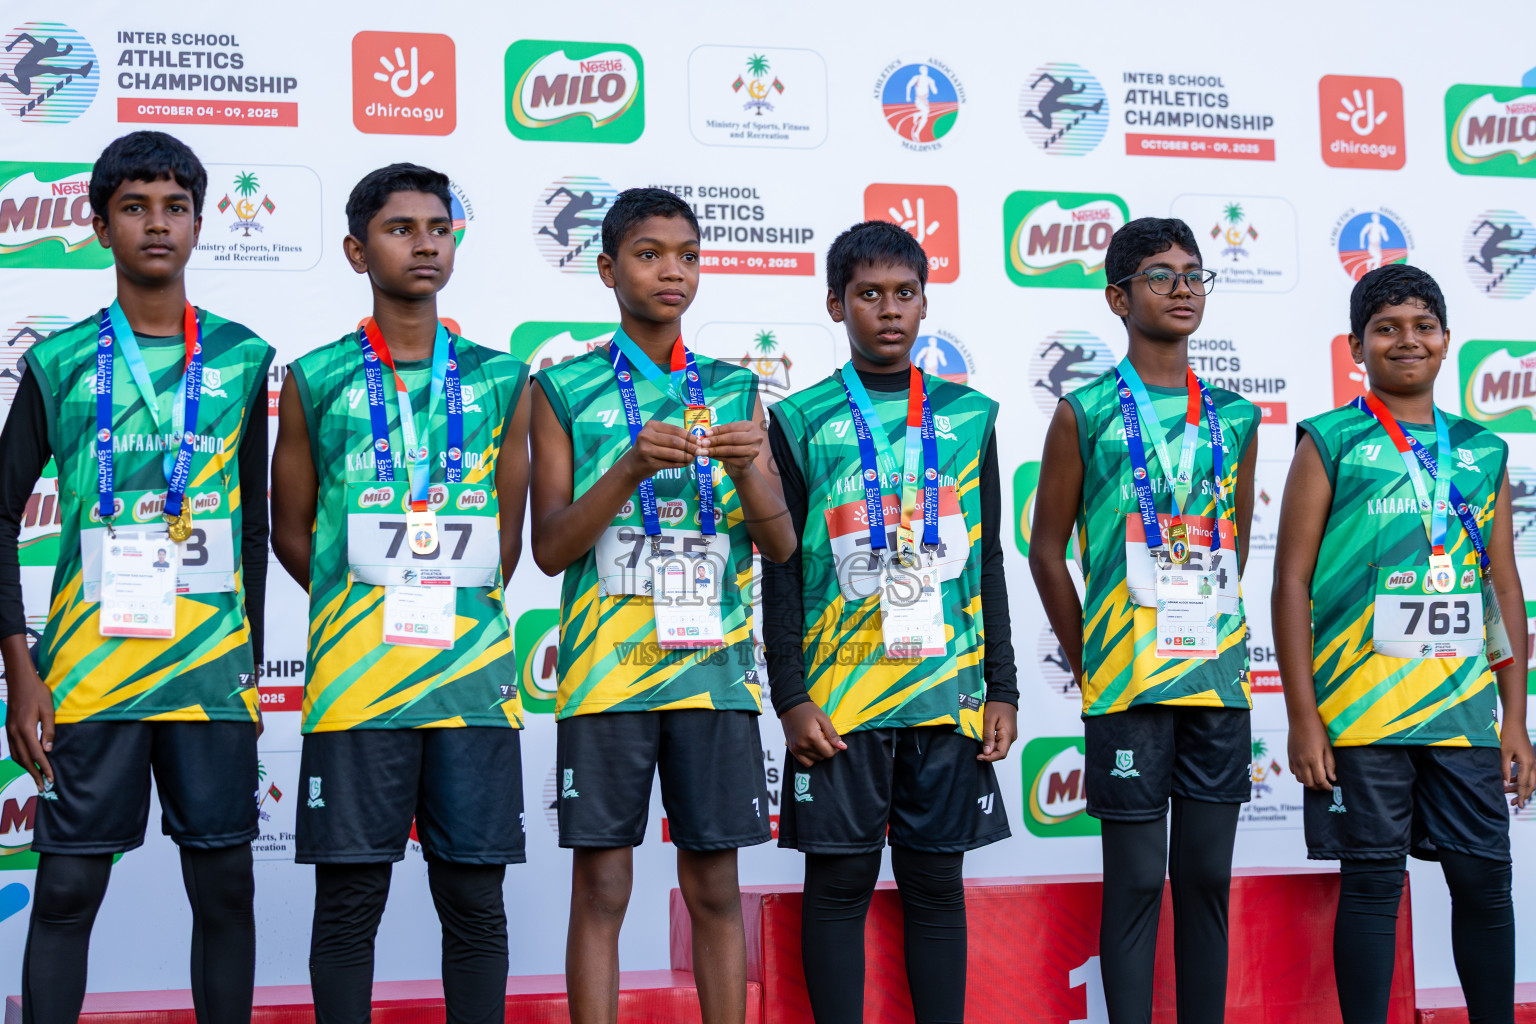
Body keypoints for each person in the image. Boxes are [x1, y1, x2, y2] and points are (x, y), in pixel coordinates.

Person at [0, 130, 272, 1024]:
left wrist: (252, 661)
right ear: (98, 226)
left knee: (226, 891)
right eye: (134, 207)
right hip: (89, 672)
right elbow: (1, 516)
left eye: (176, 207)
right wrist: (20, 668)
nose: (157, 225)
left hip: (207, 676)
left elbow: (258, 525)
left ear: (199, 223)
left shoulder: (242, 358)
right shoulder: (58, 361)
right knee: (69, 893)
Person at [270, 163, 531, 1024]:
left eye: (438, 227)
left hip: (471, 687)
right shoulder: (314, 378)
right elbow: (292, 531)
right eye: (399, 228)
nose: (424, 242)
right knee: (348, 909)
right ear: (356, 249)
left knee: (475, 905)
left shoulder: (503, 380)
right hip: (358, 687)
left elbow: (506, 538)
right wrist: (363, 600)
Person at [529, 187, 795, 1024]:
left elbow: (783, 547)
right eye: (649, 254)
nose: (670, 270)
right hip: (608, 681)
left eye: (686, 254)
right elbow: (549, 549)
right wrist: (629, 471)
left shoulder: (733, 387)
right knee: (602, 885)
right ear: (608, 269)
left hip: (712, 678)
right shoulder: (562, 388)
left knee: (716, 885)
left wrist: (752, 469)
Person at [764, 220, 1018, 1024]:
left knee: (936, 886)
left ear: (925, 301)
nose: (889, 311)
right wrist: (791, 696)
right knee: (838, 885)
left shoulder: (970, 415)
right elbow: (779, 564)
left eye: (904, 294)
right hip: (841, 701)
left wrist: (1004, 687)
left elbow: (988, 562)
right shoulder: (799, 418)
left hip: (946, 695)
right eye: (869, 295)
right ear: (836, 304)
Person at [1273, 263, 1534, 1024]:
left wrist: (1514, 719)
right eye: (1386, 328)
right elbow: (1291, 583)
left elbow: (1505, 590)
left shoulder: (1483, 451)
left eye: (1422, 326)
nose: (1406, 340)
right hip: (1360, 716)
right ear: (1357, 346)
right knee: (1373, 884)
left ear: (1448, 341)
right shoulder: (1332, 440)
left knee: (1485, 881)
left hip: (1461, 715)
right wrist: (1303, 717)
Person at [1029, 217, 1259, 1024]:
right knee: (1134, 884)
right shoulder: (1084, 412)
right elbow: (1045, 550)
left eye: (1194, 274)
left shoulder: (1236, 417)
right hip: (1126, 683)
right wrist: (1085, 649)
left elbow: (1230, 546)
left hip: (1217, 682)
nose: (1184, 288)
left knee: (1205, 883)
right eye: (1161, 276)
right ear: (1117, 298)